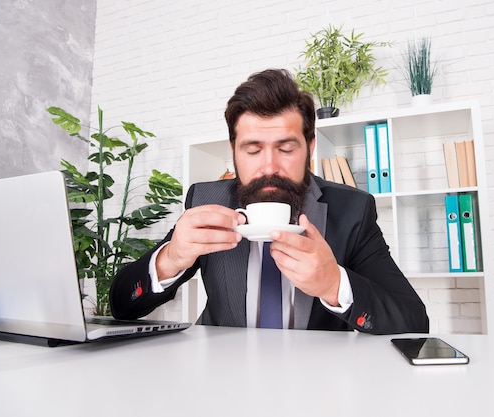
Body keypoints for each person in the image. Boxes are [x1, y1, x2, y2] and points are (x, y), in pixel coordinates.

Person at [110, 69, 429, 335]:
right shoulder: (206, 201)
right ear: (233, 150)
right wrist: (170, 258)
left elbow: (414, 322)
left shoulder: (353, 211)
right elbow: (122, 305)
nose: (269, 167)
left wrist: (334, 283)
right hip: (222, 377)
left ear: (311, 147)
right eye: (252, 149)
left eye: (286, 148)